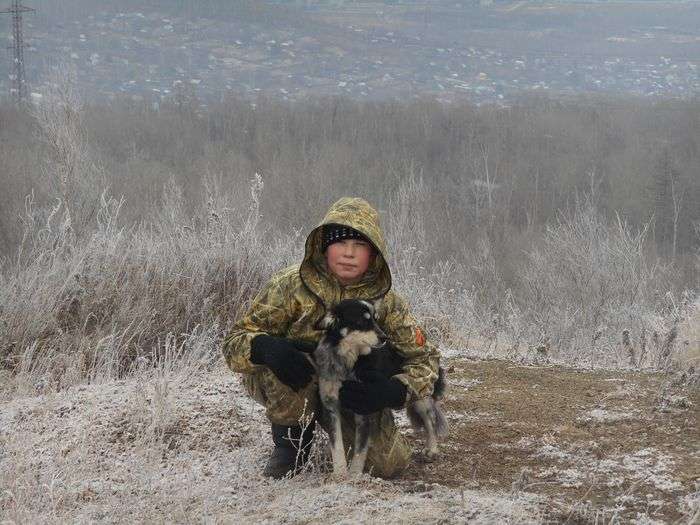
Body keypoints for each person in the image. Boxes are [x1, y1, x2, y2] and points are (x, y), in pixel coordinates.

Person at [222, 197, 440, 479]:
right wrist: (265, 347)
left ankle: (343, 426)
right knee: (290, 359)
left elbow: (426, 360)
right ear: (324, 246)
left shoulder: (388, 302)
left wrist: (394, 390)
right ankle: (291, 447)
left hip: (351, 391)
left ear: (374, 254)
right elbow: (234, 341)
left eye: (360, 245)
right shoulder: (289, 284)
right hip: (295, 383)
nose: (349, 253)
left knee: (388, 464)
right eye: (340, 243)